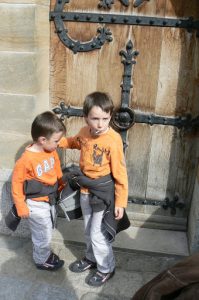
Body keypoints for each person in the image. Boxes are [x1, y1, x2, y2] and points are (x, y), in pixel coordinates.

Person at [58, 91, 128, 286]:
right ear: (85, 117)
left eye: (105, 118)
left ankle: (106, 268)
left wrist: (120, 202)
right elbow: (74, 142)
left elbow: (121, 173)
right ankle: (91, 258)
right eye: (95, 118)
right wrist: (58, 141)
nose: (100, 124)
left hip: (102, 195)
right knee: (88, 230)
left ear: (110, 116)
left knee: (98, 234)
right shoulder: (84, 132)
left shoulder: (113, 140)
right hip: (84, 191)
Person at [11, 111, 66, 271]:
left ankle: (44, 253)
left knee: (47, 230)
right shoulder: (26, 160)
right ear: (42, 140)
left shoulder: (50, 151)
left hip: (49, 200)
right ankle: (42, 260)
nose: (58, 144)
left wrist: (61, 184)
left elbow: (56, 168)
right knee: (43, 235)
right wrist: (21, 206)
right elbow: (17, 184)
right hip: (35, 204)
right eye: (56, 141)